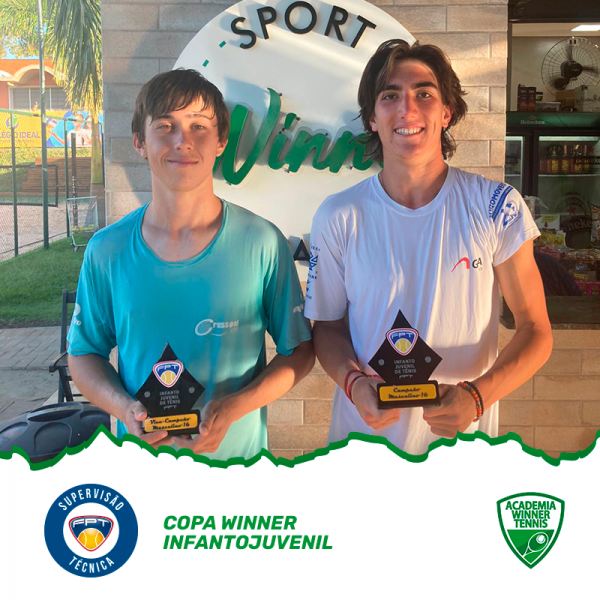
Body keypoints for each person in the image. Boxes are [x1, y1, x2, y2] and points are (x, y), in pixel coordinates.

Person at [304, 40, 553, 454]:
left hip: (463, 451)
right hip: (363, 449)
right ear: (372, 119)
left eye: (424, 94)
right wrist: (355, 384)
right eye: (390, 96)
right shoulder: (338, 214)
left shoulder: (497, 206)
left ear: (446, 112)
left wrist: (477, 397)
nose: (407, 109)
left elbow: (536, 329)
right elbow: (327, 328)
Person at [67, 69, 314, 460]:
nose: (182, 141)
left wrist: (234, 407)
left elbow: (298, 351)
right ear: (139, 142)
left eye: (199, 126)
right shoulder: (106, 250)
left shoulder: (262, 242)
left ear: (220, 142)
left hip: (237, 470)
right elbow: (83, 354)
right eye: (165, 126)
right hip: (141, 469)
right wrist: (123, 408)